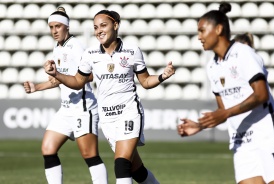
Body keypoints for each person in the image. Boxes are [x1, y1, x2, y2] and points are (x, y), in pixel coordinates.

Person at [44, 9, 175, 184]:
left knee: (121, 165)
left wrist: (162, 76)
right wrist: (57, 74)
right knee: (137, 171)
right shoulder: (90, 55)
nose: (99, 30)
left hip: (129, 113)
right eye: (96, 27)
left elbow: (145, 81)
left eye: (103, 25)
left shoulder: (132, 51)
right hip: (107, 119)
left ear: (116, 25)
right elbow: (77, 81)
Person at [177, 2, 274, 184]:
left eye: (202, 30)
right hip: (242, 140)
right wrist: (200, 125)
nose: (199, 37)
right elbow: (222, 110)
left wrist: (225, 113)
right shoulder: (212, 66)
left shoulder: (244, 53)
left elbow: (261, 94)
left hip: (266, 135)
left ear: (218, 29)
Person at [23, 7, 108, 184]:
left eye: (58, 26)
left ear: (66, 27)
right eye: (51, 27)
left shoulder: (75, 47)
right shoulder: (58, 48)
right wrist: (36, 87)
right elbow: (60, 79)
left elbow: (90, 73)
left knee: (89, 155)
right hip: (66, 108)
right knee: (48, 148)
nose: (54, 31)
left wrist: (72, 78)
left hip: (83, 107)